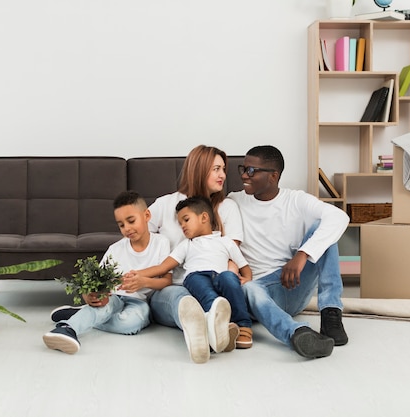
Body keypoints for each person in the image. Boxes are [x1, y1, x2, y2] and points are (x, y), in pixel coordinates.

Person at [228, 145, 349, 359]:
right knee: (250, 288)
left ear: (273, 176)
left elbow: (340, 217)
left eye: (252, 171)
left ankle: (331, 312)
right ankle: (296, 333)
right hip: (258, 291)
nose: (244, 176)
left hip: (291, 284)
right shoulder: (234, 200)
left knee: (325, 225)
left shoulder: (295, 200)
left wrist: (302, 254)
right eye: (243, 169)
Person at [147, 145, 247, 364]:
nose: (222, 175)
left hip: (212, 288)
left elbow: (232, 254)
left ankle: (207, 328)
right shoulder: (166, 204)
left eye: (223, 169)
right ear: (199, 169)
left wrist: (230, 281)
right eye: (216, 169)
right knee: (181, 300)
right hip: (172, 288)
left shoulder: (227, 207)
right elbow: (137, 239)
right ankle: (208, 330)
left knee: (207, 298)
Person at [42, 190, 172, 354]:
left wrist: (144, 282)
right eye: (121, 225)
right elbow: (98, 284)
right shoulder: (115, 249)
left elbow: (167, 280)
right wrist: (88, 296)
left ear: (147, 215)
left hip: (139, 302)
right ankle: (68, 328)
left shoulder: (161, 243)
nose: (127, 228)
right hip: (114, 296)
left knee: (131, 323)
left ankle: (84, 315)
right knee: (104, 308)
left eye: (131, 221)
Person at [132, 196, 253, 354]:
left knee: (229, 278)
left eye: (186, 220)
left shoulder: (226, 242)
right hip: (196, 277)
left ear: (204, 217)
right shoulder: (186, 245)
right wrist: (137, 274)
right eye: (180, 223)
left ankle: (243, 327)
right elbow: (163, 267)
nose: (182, 226)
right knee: (203, 288)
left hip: (220, 276)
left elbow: (244, 267)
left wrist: (246, 279)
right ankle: (218, 327)